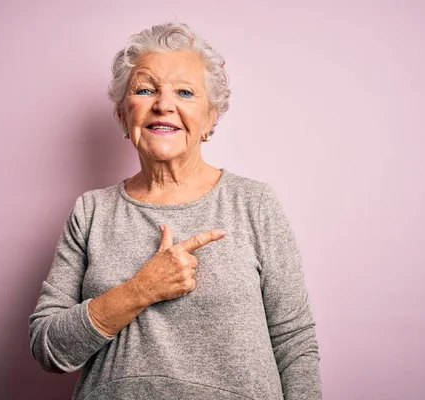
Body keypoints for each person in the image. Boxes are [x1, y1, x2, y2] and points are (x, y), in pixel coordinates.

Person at [28, 22, 321, 400]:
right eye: (146, 90)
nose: (163, 104)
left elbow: (294, 342)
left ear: (211, 118)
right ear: (123, 115)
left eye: (184, 92)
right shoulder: (91, 212)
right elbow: (48, 347)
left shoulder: (254, 203)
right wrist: (141, 289)